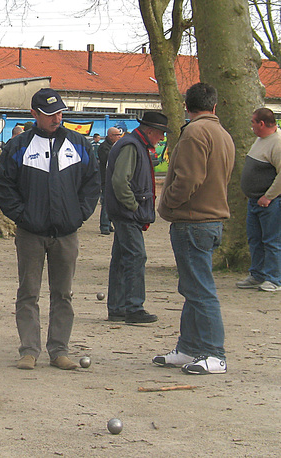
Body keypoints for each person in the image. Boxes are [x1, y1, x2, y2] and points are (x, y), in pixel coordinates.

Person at [0, 88, 100, 371]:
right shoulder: (18, 146)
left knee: (63, 294)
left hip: (66, 232)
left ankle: (59, 350)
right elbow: (3, 185)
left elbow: (92, 182)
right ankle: (29, 350)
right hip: (31, 232)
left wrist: (79, 214)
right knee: (28, 292)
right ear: (34, 114)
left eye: (60, 113)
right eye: (50, 114)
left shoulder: (79, 144)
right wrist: (22, 215)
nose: (57, 118)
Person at [153, 82, 234, 375]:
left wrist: (167, 204)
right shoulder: (223, 134)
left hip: (193, 219)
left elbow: (188, 179)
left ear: (187, 106)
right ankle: (188, 346)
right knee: (192, 287)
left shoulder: (194, 133)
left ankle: (214, 352)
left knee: (200, 289)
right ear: (214, 106)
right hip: (210, 219)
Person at [104, 112, 170, 323]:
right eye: (160, 133)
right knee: (136, 256)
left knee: (122, 258)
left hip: (124, 211)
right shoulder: (132, 146)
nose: (162, 138)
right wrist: (134, 207)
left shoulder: (132, 144)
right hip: (127, 213)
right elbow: (120, 182)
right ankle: (133, 307)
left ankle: (118, 308)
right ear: (149, 131)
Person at [236, 108, 281, 292]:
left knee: (272, 241)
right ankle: (257, 274)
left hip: (270, 203)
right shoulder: (260, 139)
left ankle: (274, 278)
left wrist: (268, 196)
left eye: (253, 122)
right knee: (255, 239)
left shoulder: (277, 143)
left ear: (262, 123)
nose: (252, 126)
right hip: (254, 200)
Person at [98, 127, 122, 234]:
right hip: (106, 179)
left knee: (112, 203)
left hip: (114, 178)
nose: (119, 137)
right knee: (106, 203)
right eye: (117, 135)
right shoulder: (104, 147)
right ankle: (104, 225)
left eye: (120, 135)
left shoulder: (115, 146)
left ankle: (108, 223)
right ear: (111, 136)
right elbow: (107, 159)